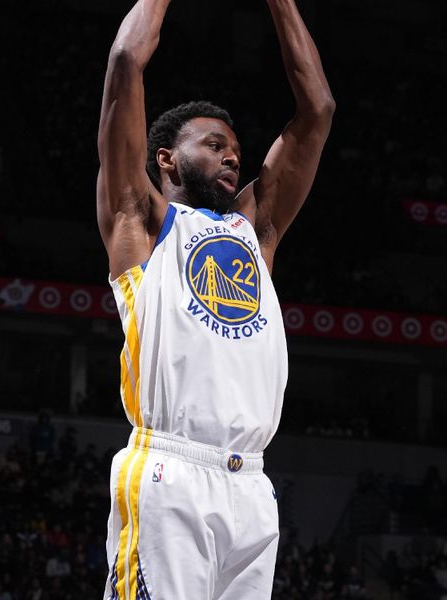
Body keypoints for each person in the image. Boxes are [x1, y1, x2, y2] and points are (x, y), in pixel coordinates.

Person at [96, 0, 334, 598]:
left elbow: (318, 110)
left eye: (235, 146)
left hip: (250, 486)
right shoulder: (142, 223)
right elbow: (126, 59)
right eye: (214, 143)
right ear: (167, 158)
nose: (233, 154)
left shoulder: (257, 232)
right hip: (169, 472)